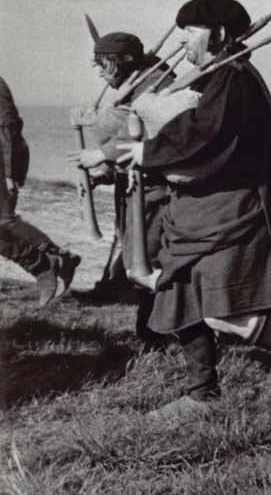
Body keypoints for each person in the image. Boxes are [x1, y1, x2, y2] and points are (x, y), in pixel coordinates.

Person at [118, 0, 271, 418]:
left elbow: (208, 134)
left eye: (191, 33)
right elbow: (191, 124)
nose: (183, 43)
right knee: (178, 291)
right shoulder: (214, 77)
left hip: (230, 211)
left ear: (217, 34)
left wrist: (147, 153)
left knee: (222, 311)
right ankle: (202, 394)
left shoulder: (235, 78)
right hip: (198, 211)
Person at [68, 30, 172, 345]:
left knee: (149, 264)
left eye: (104, 64)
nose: (99, 71)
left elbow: (157, 138)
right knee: (142, 264)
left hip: (159, 196)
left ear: (126, 60)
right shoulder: (134, 85)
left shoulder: (158, 86)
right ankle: (156, 335)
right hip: (140, 192)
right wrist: (106, 173)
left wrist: (102, 154)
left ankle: (160, 335)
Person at [0, 73, 81, 305]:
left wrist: (8, 173)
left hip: (4, 158)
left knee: (4, 220)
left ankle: (52, 260)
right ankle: (46, 265)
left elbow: (8, 128)